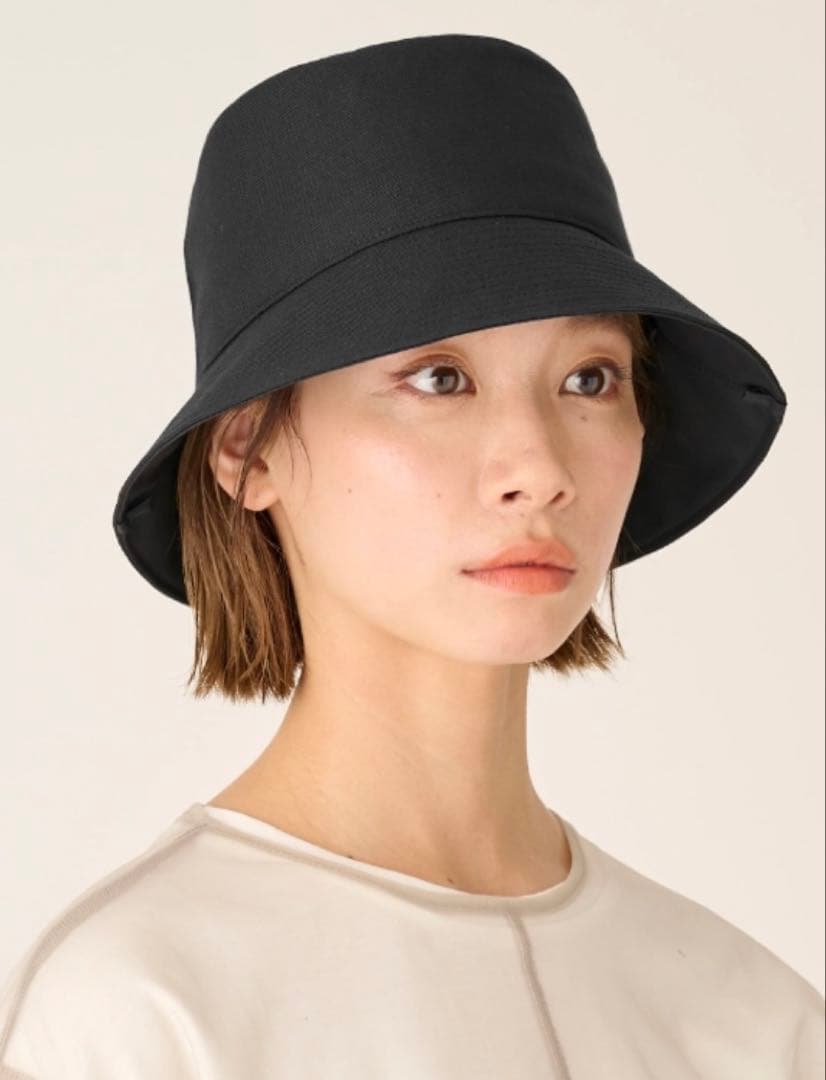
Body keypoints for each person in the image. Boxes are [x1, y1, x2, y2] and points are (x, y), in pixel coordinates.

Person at [1, 32, 823, 1080]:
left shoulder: (751, 1022)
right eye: (438, 378)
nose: (539, 469)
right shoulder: (141, 1013)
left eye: (588, 378)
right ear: (248, 448)